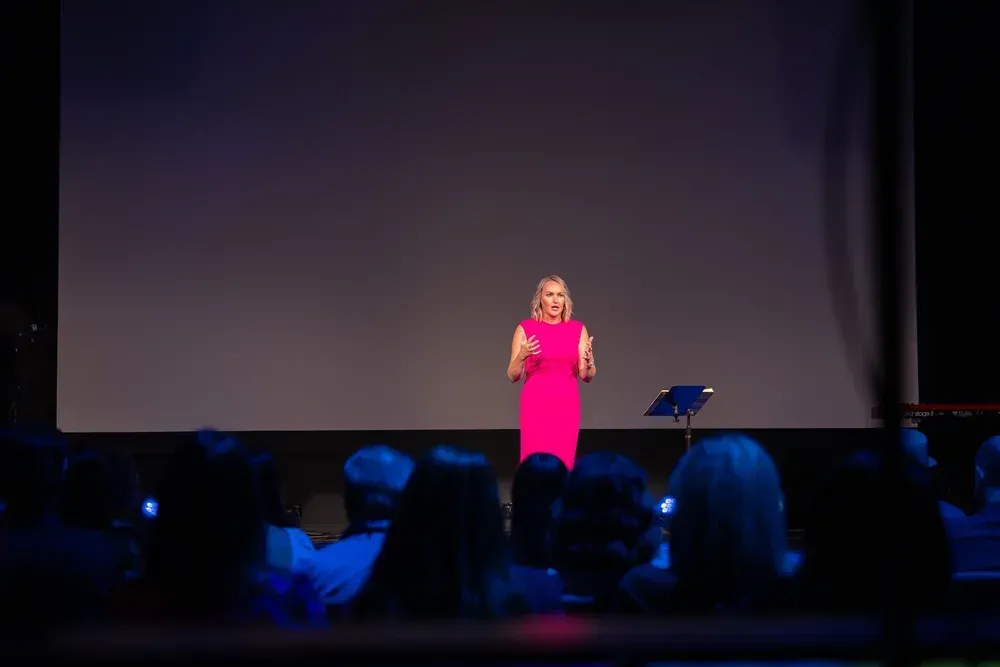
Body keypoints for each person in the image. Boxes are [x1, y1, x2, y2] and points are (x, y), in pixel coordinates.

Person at [506, 275, 595, 469]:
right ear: (540, 299)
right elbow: (513, 375)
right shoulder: (525, 328)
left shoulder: (578, 329)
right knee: (534, 461)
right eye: (549, 294)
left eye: (560, 295)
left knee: (564, 460)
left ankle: (562, 498)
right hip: (535, 404)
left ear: (565, 301)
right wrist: (522, 355)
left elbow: (586, 376)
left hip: (566, 404)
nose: (555, 300)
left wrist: (589, 362)